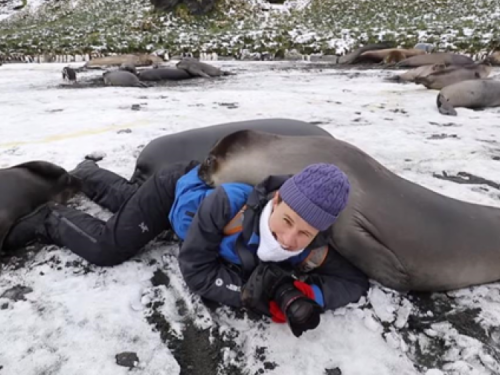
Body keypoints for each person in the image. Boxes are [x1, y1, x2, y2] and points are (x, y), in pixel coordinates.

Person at [4, 158, 369, 337]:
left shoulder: (310, 246)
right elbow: (196, 270)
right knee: (108, 247)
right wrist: (250, 295)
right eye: (287, 222)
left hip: (187, 219)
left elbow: (354, 281)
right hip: (177, 191)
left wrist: (310, 294)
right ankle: (50, 218)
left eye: (305, 234)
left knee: (128, 204)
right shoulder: (228, 204)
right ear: (276, 200)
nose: (290, 240)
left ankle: (87, 171)